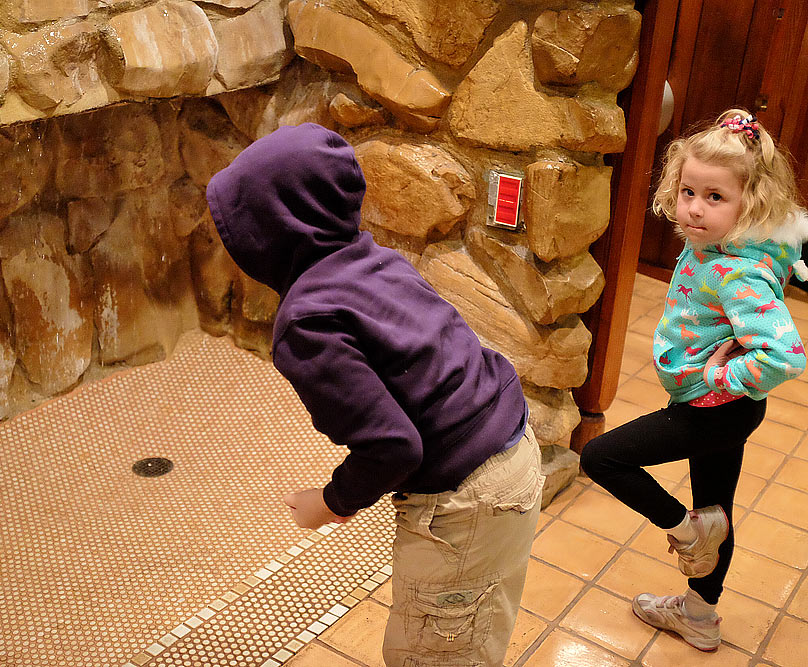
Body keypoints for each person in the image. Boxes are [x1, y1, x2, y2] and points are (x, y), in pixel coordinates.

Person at [205, 122, 544, 667]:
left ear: (273, 232)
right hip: (514, 448)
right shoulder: (375, 260)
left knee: (429, 655)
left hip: (467, 495)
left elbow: (393, 447)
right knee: (475, 632)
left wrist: (330, 504)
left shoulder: (308, 322)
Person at [581, 109, 808, 651]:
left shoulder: (738, 270)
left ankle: (687, 532)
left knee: (601, 457)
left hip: (713, 407)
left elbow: (786, 354)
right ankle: (701, 616)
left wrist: (718, 375)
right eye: (688, 191)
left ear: (750, 204)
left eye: (714, 197)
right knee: (718, 508)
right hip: (724, 407)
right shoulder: (712, 243)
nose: (694, 209)